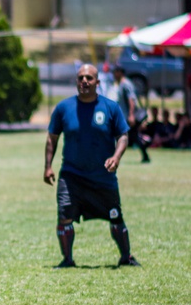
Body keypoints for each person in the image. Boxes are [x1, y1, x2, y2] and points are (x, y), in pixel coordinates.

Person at [44, 64, 139, 268]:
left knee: (116, 217)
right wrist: (48, 166)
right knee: (64, 216)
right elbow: (52, 137)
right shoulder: (63, 108)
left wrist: (116, 157)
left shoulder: (110, 107)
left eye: (89, 78)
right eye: (80, 78)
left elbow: (123, 135)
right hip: (71, 176)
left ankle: (126, 257)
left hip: (102, 176)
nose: (84, 81)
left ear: (97, 82)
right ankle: (67, 260)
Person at [112, 67, 149, 162]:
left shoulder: (126, 84)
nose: (114, 74)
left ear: (120, 72)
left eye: (115, 72)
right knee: (133, 136)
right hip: (124, 116)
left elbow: (131, 100)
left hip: (128, 117)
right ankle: (145, 156)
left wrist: (131, 115)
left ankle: (114, 157)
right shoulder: (121, 84)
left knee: (124, 136)